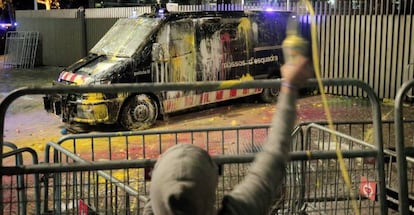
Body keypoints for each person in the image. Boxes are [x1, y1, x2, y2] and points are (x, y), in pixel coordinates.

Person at [143, 54, 313, 215]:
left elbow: (158, 200)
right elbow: (273, 158)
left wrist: (161, 182)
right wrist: (289, 88)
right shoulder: (238, 211)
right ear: (211, 185)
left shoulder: (155, 204)